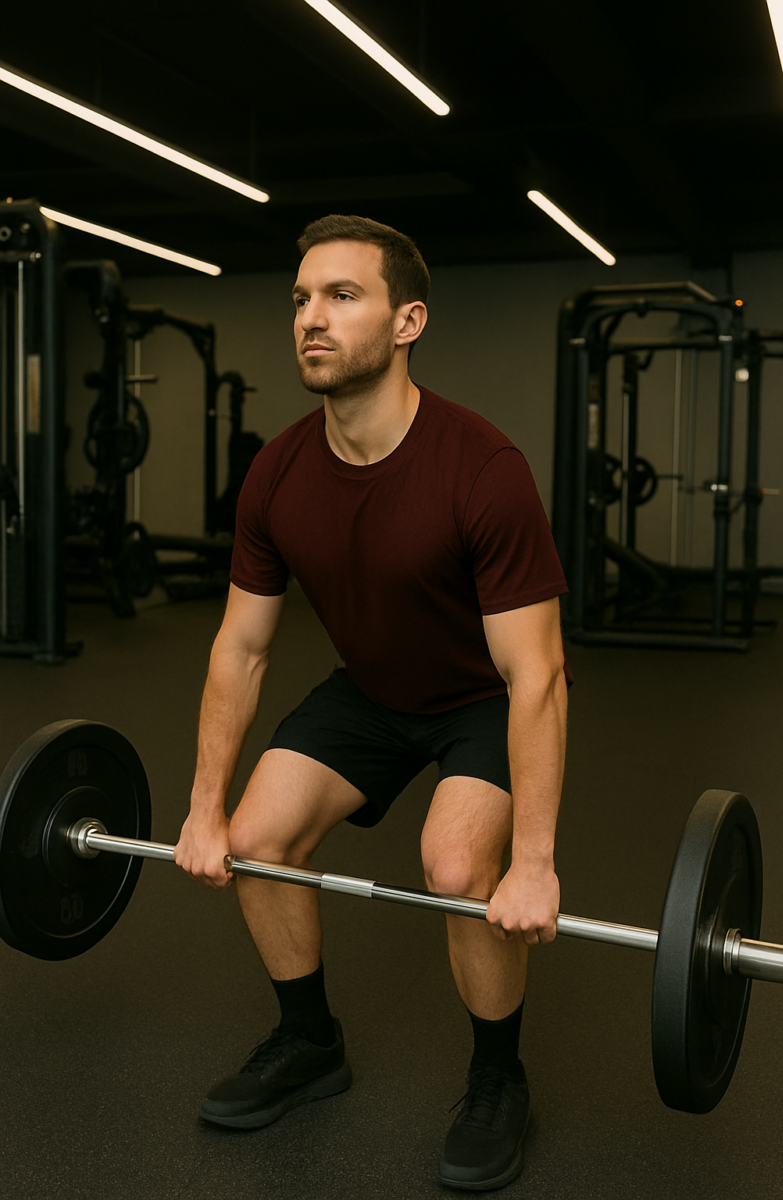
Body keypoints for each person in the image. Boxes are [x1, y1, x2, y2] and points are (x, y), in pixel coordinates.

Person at [175, 214, 570, 1192]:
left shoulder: (481, 470)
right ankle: (309, 1043)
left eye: (341, 296)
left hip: (477, 698)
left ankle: (496, 1078)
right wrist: (200, 805)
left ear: (406, 321)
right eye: (301, 299)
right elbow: (242, 644)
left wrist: (531, 866)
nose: (311, 318)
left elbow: (536, 677)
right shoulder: (276, 472)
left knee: (451, 865)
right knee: (258, 836)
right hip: (370, 692)